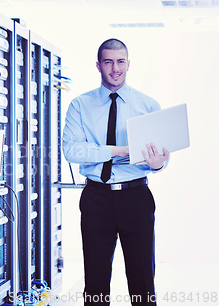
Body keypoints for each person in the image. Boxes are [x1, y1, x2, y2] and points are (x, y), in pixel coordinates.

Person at [62, 38, 169, 305]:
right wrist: (119, 151)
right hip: (96, 198)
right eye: (108, 62)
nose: (115, 68)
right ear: (98, 65)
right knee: (96, 281)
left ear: (128, 64)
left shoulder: (148, 106)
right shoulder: (80, 105)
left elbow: (160, 160)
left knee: (142, 278)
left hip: (136, 197)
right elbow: (72, 151)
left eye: (120, 61)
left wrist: (158, 163)